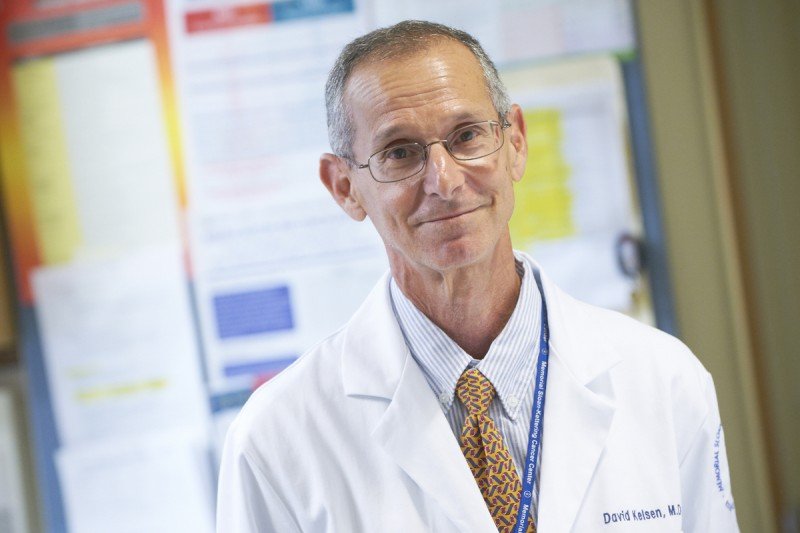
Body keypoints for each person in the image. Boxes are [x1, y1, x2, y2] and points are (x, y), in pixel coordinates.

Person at [217, 20, 740, 533]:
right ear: (344, 187)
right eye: (399, 152)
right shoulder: (275, 442)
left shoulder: (663, 379)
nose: (444, 180)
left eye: (466, 136)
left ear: (516, 143)